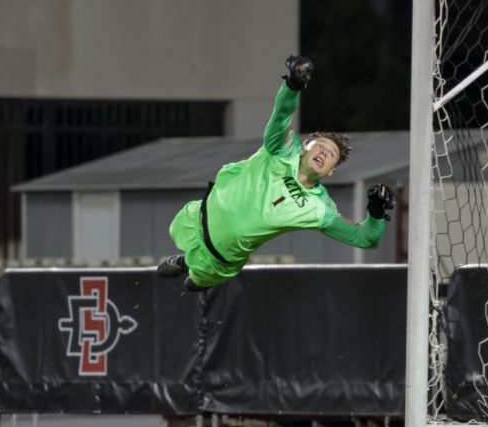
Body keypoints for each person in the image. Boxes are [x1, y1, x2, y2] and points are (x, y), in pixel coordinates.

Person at [158, 56, 396, 290]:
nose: (324, 152)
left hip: (217, 260)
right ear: (304, 147)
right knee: (172, 232)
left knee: (194, 286)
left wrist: (376, 212)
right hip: (193, 218)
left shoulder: (319, 209)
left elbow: (366, 239)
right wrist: (293, 85)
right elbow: (282, 115)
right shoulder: (278, 150)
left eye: (331, 154)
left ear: (331, 171)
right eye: (319, 145)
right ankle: (186, 259)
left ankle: (187, 265)